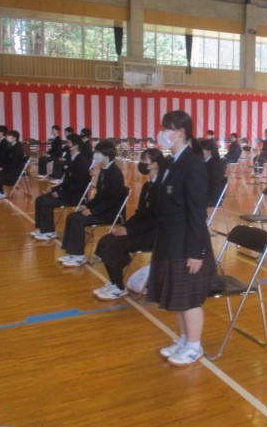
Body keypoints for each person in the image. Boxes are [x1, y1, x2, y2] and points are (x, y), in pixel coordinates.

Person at [147, 110, 221, 367]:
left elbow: (197, 213)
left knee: (188, 299)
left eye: (165, 129)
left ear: (180, 133)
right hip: (169, 240)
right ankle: (184, 339)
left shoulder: (193, 164)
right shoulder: (170, 162)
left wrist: (195, 252)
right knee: (177, 297)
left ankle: (194, 346)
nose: (160, 133)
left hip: (187, 244)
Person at [92, 148, 164, 300]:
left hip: (154, 234)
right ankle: (114, 282)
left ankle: (119, 288)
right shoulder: (147, 185)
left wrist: (129, 231)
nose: (141, 163)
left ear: (154, 164)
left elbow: (155, 219)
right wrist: (124, 226)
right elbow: (140, 213)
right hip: (140, 229)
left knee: (115, 245)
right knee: (106, 240)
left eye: (144, 160)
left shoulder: (161, 187)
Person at [58, 140, 126, 267]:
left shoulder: (115, 173)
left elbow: (112, 201)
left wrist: (92, 211)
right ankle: (72, 252)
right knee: (72, 216)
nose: (95, 154)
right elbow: (99, 196)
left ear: (106, 154)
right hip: (101, 209)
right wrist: (87, 205)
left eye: (98, 152)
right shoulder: (104, 170)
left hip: (109, 213)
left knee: (78, 220)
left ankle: (79, 256)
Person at [32, 134, 91, 241]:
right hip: (67, 192)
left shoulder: (81, 162)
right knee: (40, 199)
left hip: (75, 196)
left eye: (68, 143)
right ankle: (41, 228)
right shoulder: (72, 159)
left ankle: (49, 232)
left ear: (75, 146)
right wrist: (54, 189)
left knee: (47, 202)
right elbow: (67, 181)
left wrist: (60, 193)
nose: (66, 145)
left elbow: (78, 186)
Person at [0, 130, 25, 199]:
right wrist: (1, 166)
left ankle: (1, 193)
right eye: (8, 135)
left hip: (15, 169)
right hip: (10, 167)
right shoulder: (11, 146)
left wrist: (4, 168)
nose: (7, 137)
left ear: (14, 138)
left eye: (10, 136)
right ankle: (1, 192)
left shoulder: (18, 148)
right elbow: (7, 159)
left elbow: (15, 162)